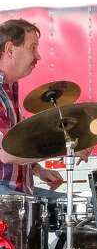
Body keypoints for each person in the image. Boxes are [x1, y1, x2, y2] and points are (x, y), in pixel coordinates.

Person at [0, 20, 65, 195]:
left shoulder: (10, 87)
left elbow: (17, 144)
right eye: (32, 47)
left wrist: (38, 169)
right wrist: (68, 147)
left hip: (18, 190)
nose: (38, 56)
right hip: (5, 193)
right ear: (10, 50)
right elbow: (5, 152)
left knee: (78, 207)